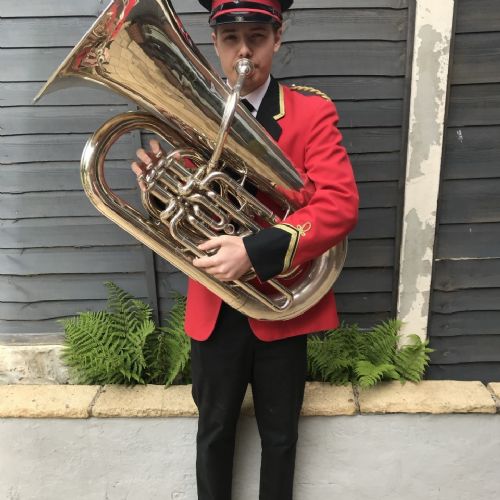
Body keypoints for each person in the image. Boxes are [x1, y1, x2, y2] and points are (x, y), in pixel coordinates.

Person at [132, 1, 359, 498]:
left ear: (277, 38)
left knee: (280, 438)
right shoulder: (190, 112)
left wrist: (253, 251)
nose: (243, 53)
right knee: (213, 433)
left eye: (256, 37)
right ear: (214, 41)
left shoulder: (310, 112)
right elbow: (189, 210)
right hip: (216, 305)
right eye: (231, 38)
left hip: (283, 304)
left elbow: (339, 204)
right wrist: (160, 190)